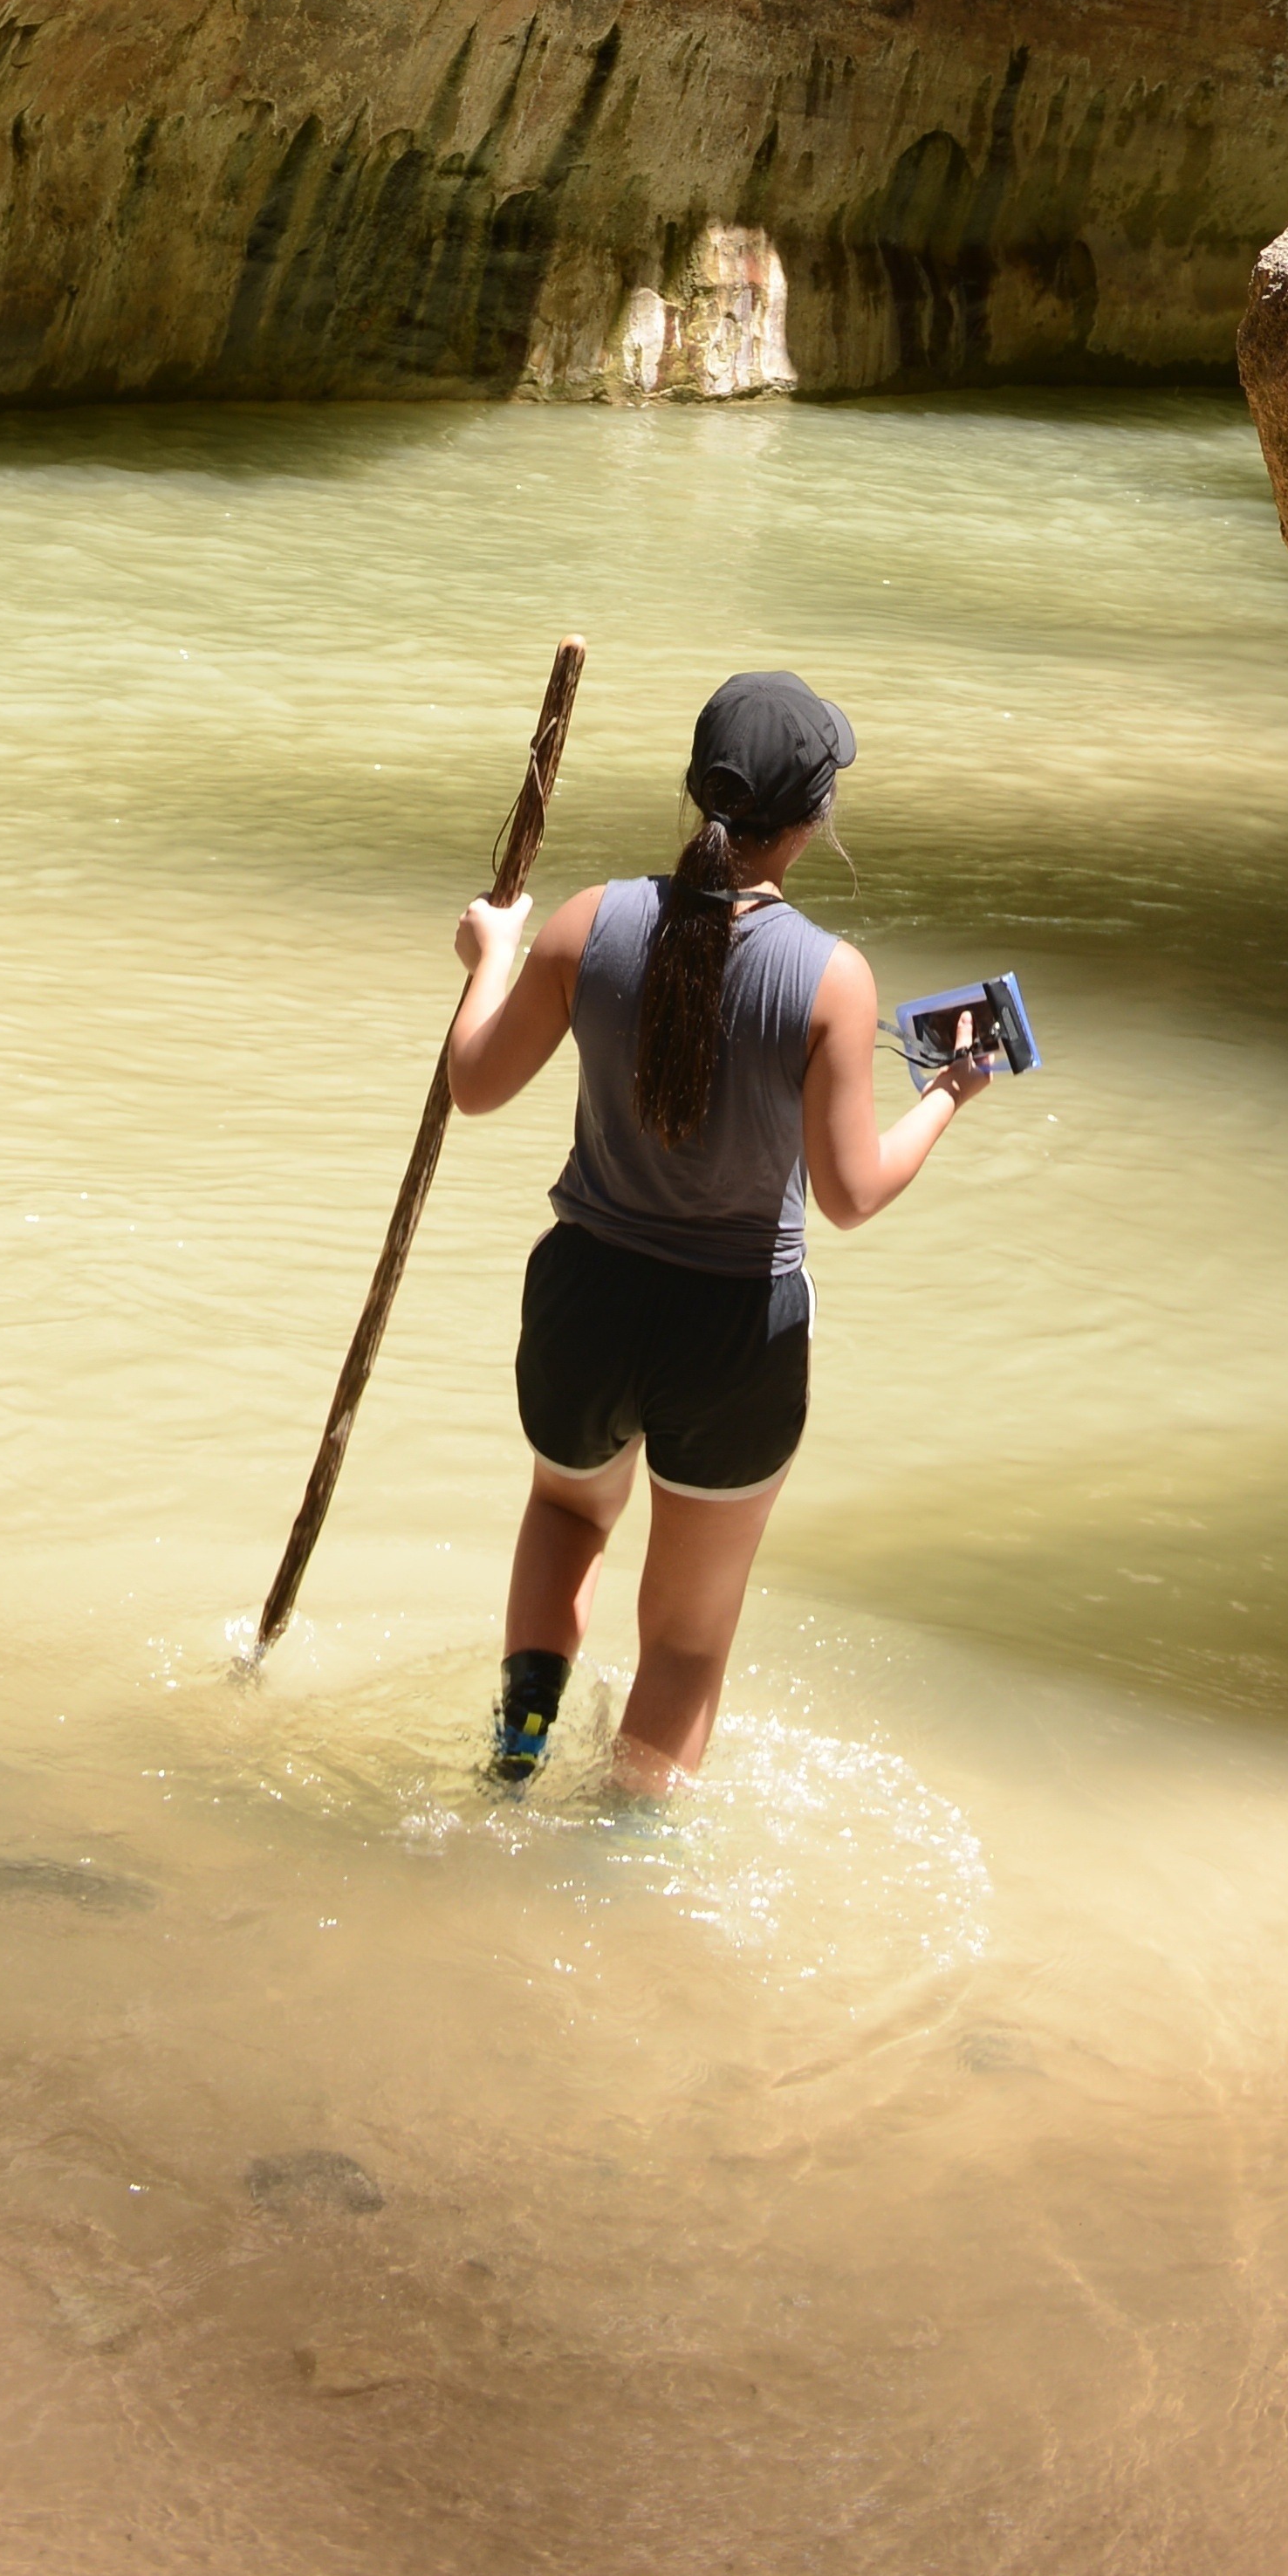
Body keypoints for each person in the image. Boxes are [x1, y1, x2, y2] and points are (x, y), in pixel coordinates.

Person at [442, 663, 997, 1796]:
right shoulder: (832, 979)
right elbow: (848, 1195)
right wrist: (950, 1089)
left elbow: (472, 1085)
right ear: (812, 824)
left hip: (584, 1300)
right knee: (687, 1640)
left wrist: (492, 957)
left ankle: (516, 1755)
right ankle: (624, 1854)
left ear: (699, 792)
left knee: (565, 1509)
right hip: (734, 1330)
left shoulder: (589, 920)